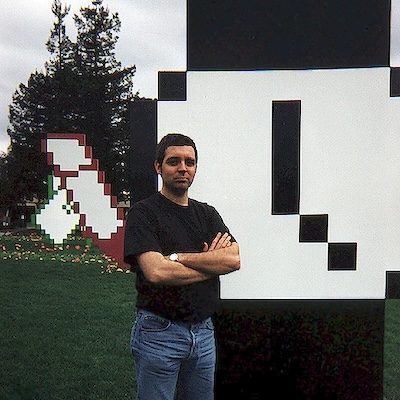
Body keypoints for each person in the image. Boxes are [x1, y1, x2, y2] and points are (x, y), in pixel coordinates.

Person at [124, 133, 240, 400]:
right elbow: (156, 271)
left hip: (203, 332)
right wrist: (210, 263)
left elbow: (233, 259)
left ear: (196, 168)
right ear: (158, 167)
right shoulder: (144, 213)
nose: (183, 168)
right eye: (173, 161)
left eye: (190, 162)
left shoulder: (207, 214)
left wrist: (176, 258)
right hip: (159, 332)